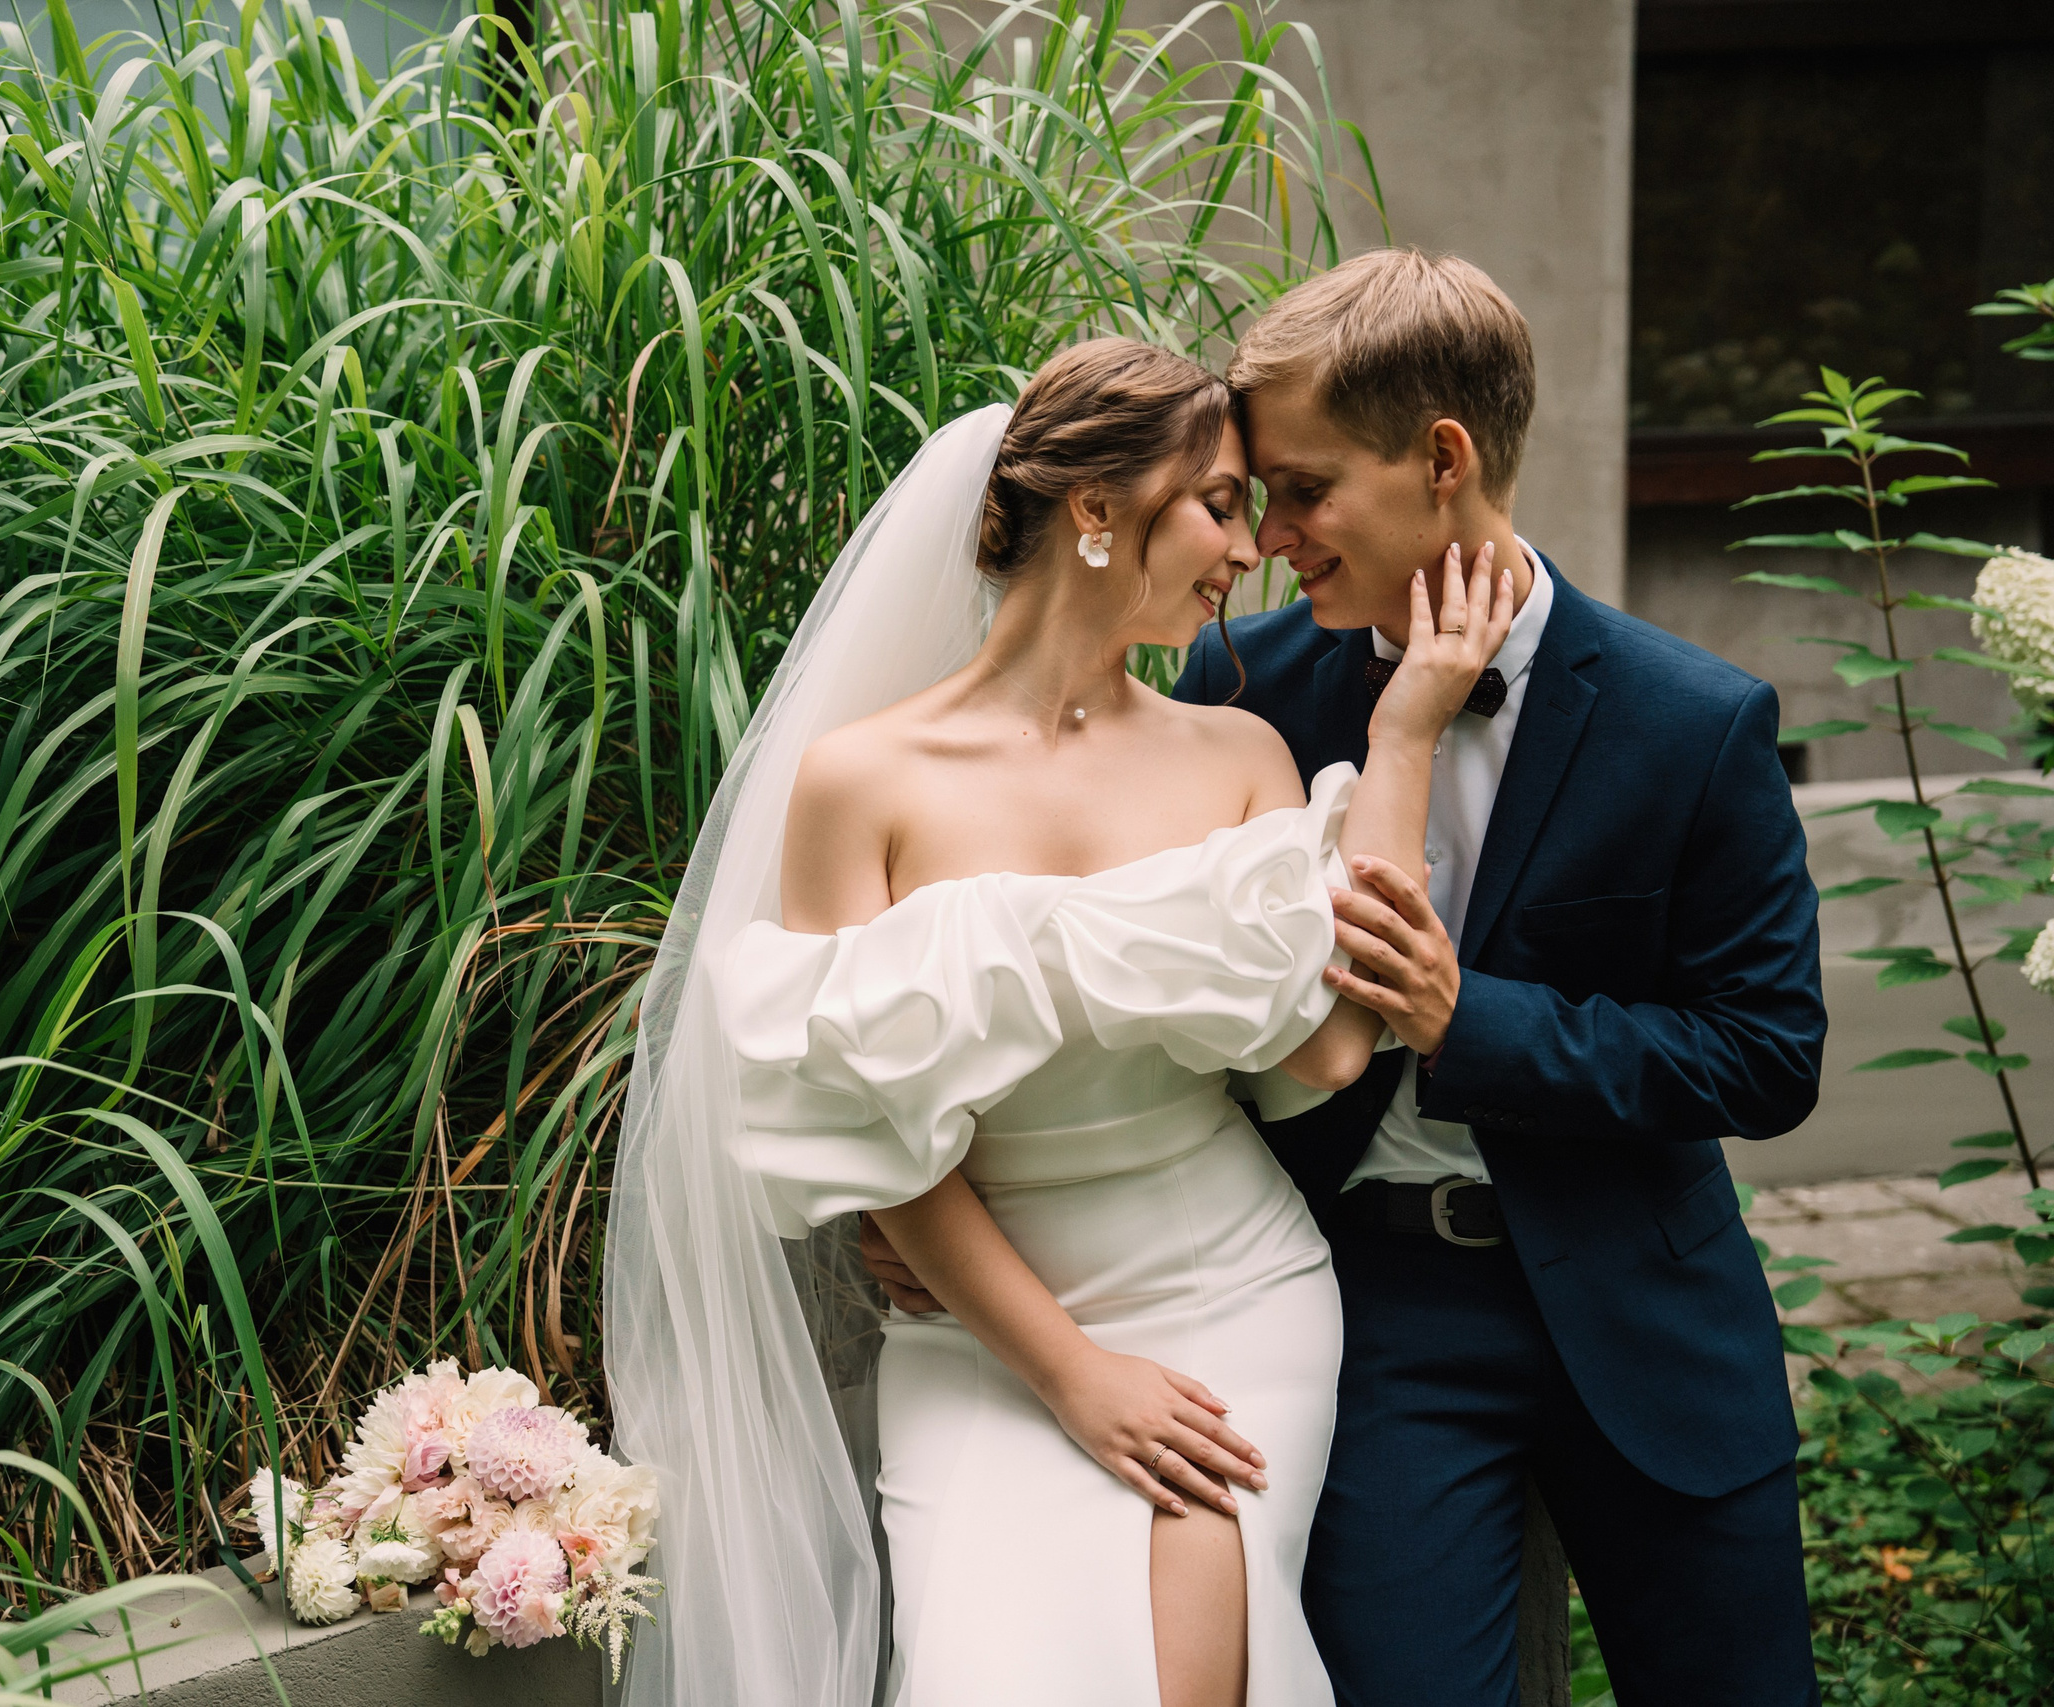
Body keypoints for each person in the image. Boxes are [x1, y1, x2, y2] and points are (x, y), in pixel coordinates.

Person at [877, 250, 1826, 1705]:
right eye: (1247, 497)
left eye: (1304, 489)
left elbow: (1763, 1056)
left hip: (1645, 1305)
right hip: (1367, 1308)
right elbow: (1070, 956)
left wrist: (1468, 1022)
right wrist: (948, 1201)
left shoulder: (1692, 721)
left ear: (1442, 459)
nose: (1269, 537)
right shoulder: (1232, 687)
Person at [604, 337, 1508, 1707]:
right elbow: (869, 1137)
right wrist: (1075, 1374)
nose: (1246, 548)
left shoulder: (1239, 754)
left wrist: (1403, 741)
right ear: (1095, 508)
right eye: (1214, 501)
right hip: (981, 1337)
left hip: (1232, 1307)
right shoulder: (865, 782)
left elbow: (1326, 1057)